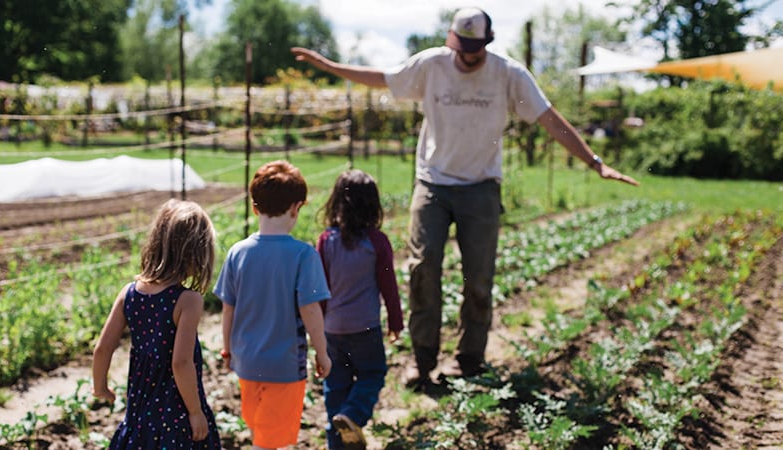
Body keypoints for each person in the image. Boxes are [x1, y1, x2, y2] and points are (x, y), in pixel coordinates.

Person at [291, 7, 639, 390]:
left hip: (481, 186)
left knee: (479, 277)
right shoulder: (432, 64)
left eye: (475, 48)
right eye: (463, 47)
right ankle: (422, 360)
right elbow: (382, 79)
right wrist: (328, 65)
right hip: (433, 183)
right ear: (452, 41)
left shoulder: (508, 74)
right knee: (423, 268)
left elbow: (549, 118)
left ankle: (469, 359)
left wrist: (595, 162)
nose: (468, 55)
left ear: (487, 43)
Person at [213, 160, 332, 450]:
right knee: (269, 442)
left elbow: (228, 308)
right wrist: (322, 352)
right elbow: (310, 309)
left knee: (259, 431)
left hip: (247, 362)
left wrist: (227, 349)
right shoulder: (304, 255)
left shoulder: (237, 253)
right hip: (284, 366)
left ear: (255, 208)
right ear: (296, 207)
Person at [92, 199, 221, 448]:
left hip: (140, 416)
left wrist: (101, 387)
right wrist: (195, 412)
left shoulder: (128, 293)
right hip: (178, 416)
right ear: (195, 254)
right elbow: (181, 362)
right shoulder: (188, 300)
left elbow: (102, 348)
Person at [316, 170, 404, 450]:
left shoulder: (325, 241)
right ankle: (352, 415)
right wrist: (396, 321)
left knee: (335, 388)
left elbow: (320, 288)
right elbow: (388, 285)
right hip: (365, 327)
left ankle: (337, 442)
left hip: (332, 329)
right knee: (372, 374)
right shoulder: (377, 242)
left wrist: (316, 329)